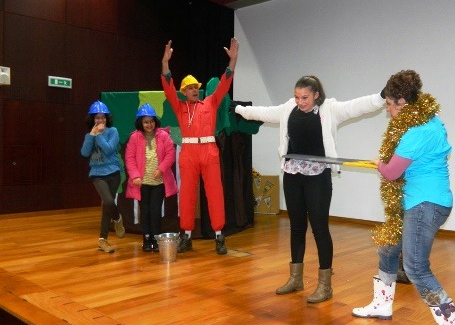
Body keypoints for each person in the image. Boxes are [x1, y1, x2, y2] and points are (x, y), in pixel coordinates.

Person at [233, 76, 385, 303]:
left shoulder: (330, 110)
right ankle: (296, 279)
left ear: (316, 95)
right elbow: (264, 113)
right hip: (293, 174)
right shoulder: (288, 109)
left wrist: (380, 97)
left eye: (305, 97)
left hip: (317, 176)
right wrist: (239, 109)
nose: (300, 102)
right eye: (297, 97)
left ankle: (325, 286)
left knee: (319, 229)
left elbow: (357, 107)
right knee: (296, 227)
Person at [352, 70, 455, 325]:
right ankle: (382, 304)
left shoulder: (416, 132)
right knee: (389, 248)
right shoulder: (431, 121)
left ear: (402, 103)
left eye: (389, 104)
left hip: (425, 203)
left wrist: (379, 163)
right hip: (423, 200)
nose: (388, 110)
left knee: (415, 267)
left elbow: (391, 172)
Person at [161, 38, 239, 255]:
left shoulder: (211, 103)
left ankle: (219, 236)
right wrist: (165, 63)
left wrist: (232, 61)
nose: (194, 90)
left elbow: (224, 83)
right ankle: (186, 236)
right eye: (190, 88)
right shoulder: (179, 107)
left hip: (209, 151)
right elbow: (167, 87)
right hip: (188, 153)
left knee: (215, 193)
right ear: (184, 92)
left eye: (196, 87)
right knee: (186, 195)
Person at [125, 103, 178, 252]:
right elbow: (129, 158)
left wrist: (161, 169)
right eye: (146, 122)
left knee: (155, 211)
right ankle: (146, 238)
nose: (149, 124)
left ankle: (156, 238)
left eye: (152, 121)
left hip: (159, 183)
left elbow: (170, 154)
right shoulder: (134, 137)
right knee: (145, 211)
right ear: (140, 123)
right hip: (142, 183)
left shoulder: (164, 136)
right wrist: (135, 176)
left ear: (155, 121)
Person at [80, 100, 125, 253]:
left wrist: (98, 135)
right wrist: (91, 135)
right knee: (108, 201)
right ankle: (117, 219)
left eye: (103, 117)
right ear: (92, 119)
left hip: (113, 172)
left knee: (107, 206)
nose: (100, 120)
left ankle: (102, 240)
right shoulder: (90, 135)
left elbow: (108, 149)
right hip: (97, 174)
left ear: (107, 118)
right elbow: (84, 153)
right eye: (97, 118)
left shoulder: (113, 131)